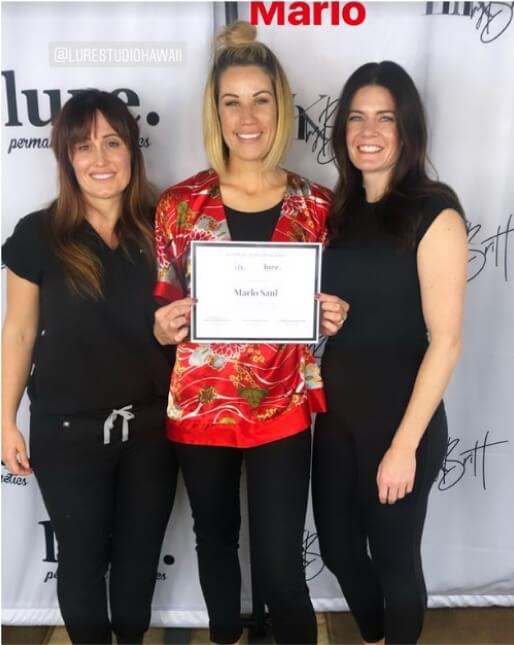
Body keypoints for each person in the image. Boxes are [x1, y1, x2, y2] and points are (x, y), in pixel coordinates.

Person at [152, 21, 348, 645]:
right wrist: (164, 325)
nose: (247, 117)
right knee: (214, 540)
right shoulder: (179, 205)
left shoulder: (318, 205)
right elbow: (165, 303)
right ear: (215, 112)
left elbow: (326, 307)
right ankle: (223, 637)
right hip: (201, 403)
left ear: (280, 106)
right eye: (231, 101)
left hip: (283, 404)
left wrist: (331, 315)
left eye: (261, 99)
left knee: (281, 562)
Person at [1, 90, 178, 645]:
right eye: (83, 146)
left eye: (112, 142)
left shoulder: (165, 225)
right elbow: (19, 331)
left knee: (138, 564)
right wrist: (5, 419)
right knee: (80, 564)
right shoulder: (38, 234)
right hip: (67, 432)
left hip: (151, 429)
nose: (100, 159)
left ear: (132, 150)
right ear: (67, 158)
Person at [312, 61, 468, 645]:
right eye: (356, 117)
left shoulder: (435, 212)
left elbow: (446, 341)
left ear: (408, 129)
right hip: (336, 416)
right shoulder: (340, 212)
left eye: (385, 118)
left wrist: (404, 447)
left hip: (400, 420)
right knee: (337, 548)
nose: (368, 131)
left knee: (396, 560)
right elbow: (348, 310)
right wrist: (322, 315)